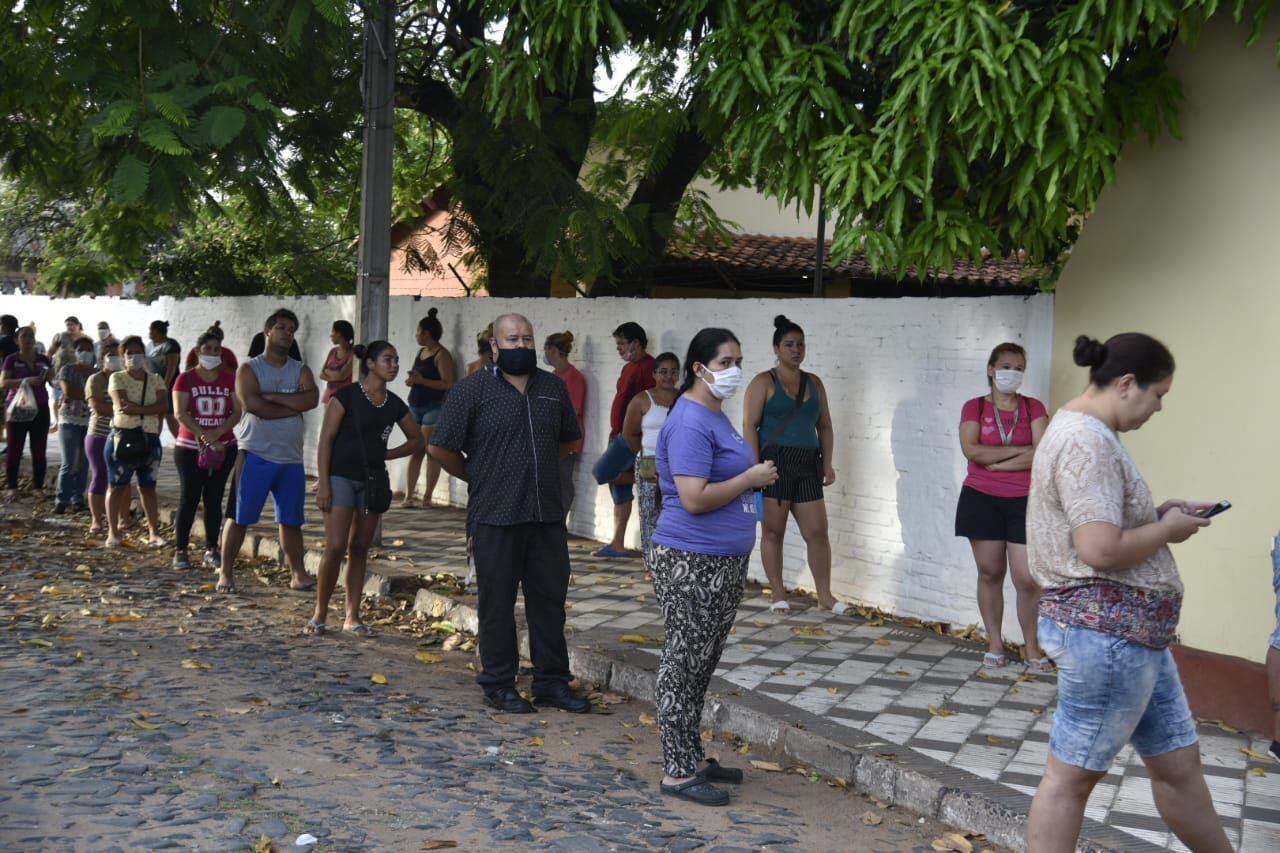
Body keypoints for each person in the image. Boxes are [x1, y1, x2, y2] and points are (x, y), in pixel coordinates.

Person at [1026, 334, 1229, 852]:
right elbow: (1099, 548)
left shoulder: (1084, 433)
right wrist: (1170, 531)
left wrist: (1157, 516)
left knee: (1179, 766)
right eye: (1158, 395)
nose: (1158, 408)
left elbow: (1101, 530)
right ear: (1125, 384)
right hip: (1107, 639)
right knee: (1069, 781)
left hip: (1131, 639)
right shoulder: (1086, 441)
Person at [428, 313, 587, 714]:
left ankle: (552, 683)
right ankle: (499, 684)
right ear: (495, 346)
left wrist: (538, 468)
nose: (521, 346)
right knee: (497, 604)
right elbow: (440, 447)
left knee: (549, 603)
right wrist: (478, 474)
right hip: (495, 514)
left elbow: (569, 440)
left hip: (546, 514)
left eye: (527, 339)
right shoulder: (471, 391)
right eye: (512, 340)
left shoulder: (553, 388)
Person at [650, 328, 778, 806]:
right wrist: (750, 477)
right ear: (699, 368)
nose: (735, 370)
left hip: (722, 560)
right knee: (681, 663)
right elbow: (693, 498)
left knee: (701, 663)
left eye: (738, 360)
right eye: (726, 362)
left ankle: (692, 754)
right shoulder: (688, 422)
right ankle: (677, 771)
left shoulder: (715, 415)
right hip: (690, 559)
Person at [308, 341, 422, 636]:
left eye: (396, 360)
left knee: (359, 547)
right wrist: (323, 483)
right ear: (370, 364)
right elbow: (326, 441)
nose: (394, 365)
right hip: (340, 477)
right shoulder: (345, 396)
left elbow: (416, 440)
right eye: (388, 359)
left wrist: (386, 454)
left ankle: (352, 616)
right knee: (334, 547)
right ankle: (319, 614)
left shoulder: (394, 403)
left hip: (372, 481)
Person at [955, 342, 1050, 668]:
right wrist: (1020, 454)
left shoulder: (1033, 408)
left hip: (1025, 499)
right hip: (982, 498)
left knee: (1026, 578)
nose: (1013, 373)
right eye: (1006, 366)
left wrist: (998, 461)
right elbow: (972, 450)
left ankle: (1031, 648)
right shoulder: (974, 408)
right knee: (990, 572)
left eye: (1019, 367)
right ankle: (995, 642)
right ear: (991, 369)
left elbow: (1044, 453)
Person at [742, 315, 843, 614]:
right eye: (789, 345)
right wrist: (753, 469)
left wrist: (827, 463)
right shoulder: (763, 381)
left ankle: (825, 596)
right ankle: (777, 593)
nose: (796, 350)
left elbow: (824, 425)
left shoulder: (815, 382)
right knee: (773, 531)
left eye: (800, 344)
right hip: (774, 462)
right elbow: (750, 425)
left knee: (818, 532)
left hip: (807, 462)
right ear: (776, 348)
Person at [219, 308, 318, 594]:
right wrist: (290, 404)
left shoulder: (301, 370)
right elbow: (252, 405)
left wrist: (273, 397)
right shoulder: (249, 369)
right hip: (255, 453)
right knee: (239, 516)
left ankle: (298, 574)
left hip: (291, 457)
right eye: (282, 328)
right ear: (268, 332)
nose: (287, 334)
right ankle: (226, 572)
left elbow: (310, 400)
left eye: (291, 330)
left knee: (291, 520)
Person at [172, 331, 242, 570]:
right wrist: (204, 435)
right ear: (198, 351)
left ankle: (212, 548)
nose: (213, 353)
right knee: (189, 498)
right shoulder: (186, 379)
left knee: (214, 498)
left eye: (217, 349)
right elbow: (180, 413)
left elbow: (236, 411)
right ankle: (180, 549)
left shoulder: (230, 379)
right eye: (208, 349)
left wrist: (217, 433)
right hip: (190, 448)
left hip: (223, 447)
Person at [596, 321, 655, 559]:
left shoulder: (649, 368)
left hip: (639, 439)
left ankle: (650, 549)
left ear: (636, 343)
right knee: (615, 484)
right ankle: (618, 542)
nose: (618, 349)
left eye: (622, 344)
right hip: (619, 436)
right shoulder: (629, 368)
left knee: (648, 488)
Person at [106, 336, 168, 547]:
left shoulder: (156, 379)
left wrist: (140, 410)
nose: (134, 357)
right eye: (129, 353)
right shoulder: (117, 378)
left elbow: (163, 405)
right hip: (123, 437)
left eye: (137, 352)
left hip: (149, 437)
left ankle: (154, 532)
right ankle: (113, 531)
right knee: (117, 486)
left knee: (148, 487)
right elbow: (122, 404)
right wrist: (149, 409)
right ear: (123, 357)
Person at [622, 352, 679, 580]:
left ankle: (672, 559)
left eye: (673, 371)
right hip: (648, 460)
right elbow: (629, 433)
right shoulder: (642, 399)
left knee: (674, 511)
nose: (668, 376)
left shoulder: (684, 398)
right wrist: (645, 455)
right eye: (663, 371)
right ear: (654, 374)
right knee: (649, 512)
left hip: (677, 463)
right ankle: (652, 564)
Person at [402, 309, 455, 508]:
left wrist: (422, 381)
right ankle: (409, 495)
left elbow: (448, 383)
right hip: (416, 404)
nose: (416, 335)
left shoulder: (442, 355)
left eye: (418, 332)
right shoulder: (421, 352)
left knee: (428, 450)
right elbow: (418, 376)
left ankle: (427, 496)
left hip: (433, 406)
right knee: (415, 450)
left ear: (427, 333)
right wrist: (413, 380)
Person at [2, 326, 54, 491]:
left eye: (31, 336)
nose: (29, 339)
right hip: (18, 407)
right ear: (17, 340)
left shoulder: (43, 359)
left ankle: (38, 487)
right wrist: (26, 381)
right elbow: (3, 383)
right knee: (15, 449)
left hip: (40, 407)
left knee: (39, 449)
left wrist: (53, 376)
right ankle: (12, 487)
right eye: (24, 336)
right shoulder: (12, 359)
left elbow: (53, 381)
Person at [543, 331, 586, 519]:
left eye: (546, 350)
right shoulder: (553, 376)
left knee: (563, 481)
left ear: (552, 350)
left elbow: (574, 410)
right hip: (551, 437)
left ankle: (559, 521)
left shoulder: (573, 377)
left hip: (567, 439)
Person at [53, 336, 96, 513]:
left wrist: (85, 395)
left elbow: (100, 395)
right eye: (81, 350)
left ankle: (77, 498)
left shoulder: (97, 372)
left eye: (88, 350)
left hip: (91, 421)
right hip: (69, 419)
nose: (84, 353)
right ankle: (61, 499)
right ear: (75, 351)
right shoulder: (67, 369)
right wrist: (91, 396)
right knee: (69, 461)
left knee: (84, 462)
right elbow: (69, 391)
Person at [85, 338, 120, 534]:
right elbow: (98, 407)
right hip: (99, 434)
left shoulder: (126, 378)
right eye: (111, 355)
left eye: (118, 355)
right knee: (100, 475)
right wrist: (124, 409)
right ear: (103, 358)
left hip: (122, 434)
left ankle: (121, 519)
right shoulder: (96, 379)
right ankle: (96, 520)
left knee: (120, 478)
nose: (115, 359)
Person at [147, 320, 182, 436]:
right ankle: (154, 441)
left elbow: (172, 366)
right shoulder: (150, 346)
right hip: (153, 386)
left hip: (168, 386)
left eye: (151, 331)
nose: (150, 333)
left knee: (170, 416)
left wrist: (165, 385)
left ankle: (181, 442)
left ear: (158, 331)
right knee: (156, 415)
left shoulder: (171, 345)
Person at [318, 320, 355, 403]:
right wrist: (335, 375)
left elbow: (341, 375)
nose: (331, 336)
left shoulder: (353, 353)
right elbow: (321, 375)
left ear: (339, 334)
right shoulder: (332, 351)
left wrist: (327, 371)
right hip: (329, 397)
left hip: (345, 399)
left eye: (333, 332)